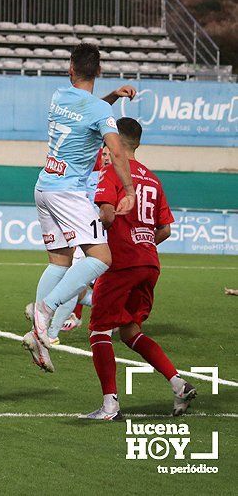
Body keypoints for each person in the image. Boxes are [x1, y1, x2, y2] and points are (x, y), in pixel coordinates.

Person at [23, 43, 139, 373]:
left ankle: (39, 335)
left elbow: (86, 113)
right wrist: (128, 189)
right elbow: (116, 151)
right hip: (69, 193)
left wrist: (113, 96)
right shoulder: (99, 113)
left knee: (59, 261)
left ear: (70, 69)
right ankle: (45, 309)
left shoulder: (59, 96)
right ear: (99, 71)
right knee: (101, 257)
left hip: (44, 186)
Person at [84, 117, 195, 420]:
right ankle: (178, 383)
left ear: (115, 143)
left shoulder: (113, 172)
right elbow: (166, 229)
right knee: (131, 330)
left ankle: (110, 406)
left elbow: (106, 215)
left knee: (99, 330)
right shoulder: (153, 178)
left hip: (120, 263)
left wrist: (90, 228)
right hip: (149, 263)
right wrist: (143, 242)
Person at [27, 146, 111, 340]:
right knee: (72, 282)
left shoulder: (110, 177)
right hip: (85, 230)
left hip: (97, 235)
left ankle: (49, 327)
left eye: (109, 154)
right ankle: (50, 329)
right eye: (103, 154)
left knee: (72, 280)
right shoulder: (89, 174)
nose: (105, 157)